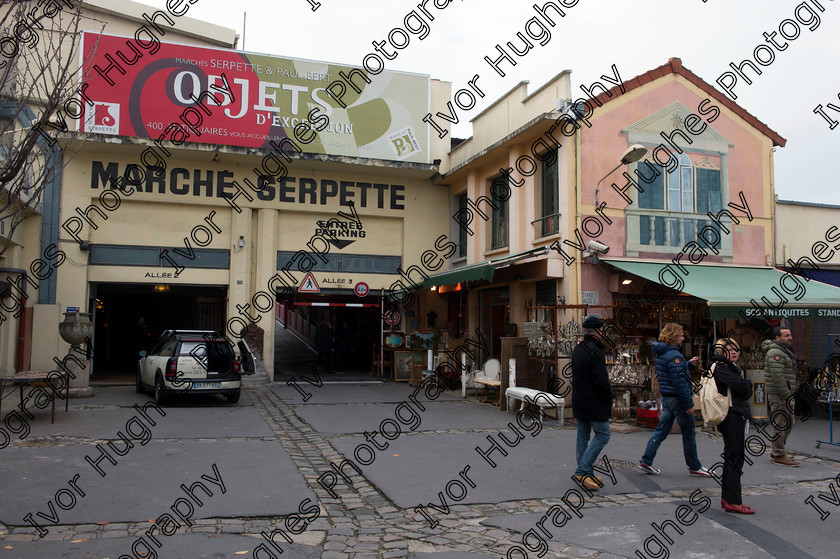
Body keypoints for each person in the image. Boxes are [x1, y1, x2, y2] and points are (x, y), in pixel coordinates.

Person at [639, 323, 711, 477]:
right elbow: (679, 382)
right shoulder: (674, 355)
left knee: (661, 431)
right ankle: (694, 465)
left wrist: (687, 365)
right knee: (689, 432)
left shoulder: (662, 353)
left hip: (667, 398)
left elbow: (670, 372)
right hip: (677, 399)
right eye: (680, 335)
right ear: (673, 337)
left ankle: (646, 460)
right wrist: (689, 404)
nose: (683, 338)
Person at [711, 338, 755, 514]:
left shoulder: (730, 367)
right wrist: (748, 384)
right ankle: (733, 501)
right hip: (732, 415)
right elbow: (742, 388)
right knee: (735, 457)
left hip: (735, 413)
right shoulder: (723, 367)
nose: (734, 352)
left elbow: (741, 388)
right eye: (729, 348)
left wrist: (745, 386)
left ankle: (728, 496)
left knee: (732, 456)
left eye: (736, 348)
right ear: (722, 351)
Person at [570, 315, 613, 491]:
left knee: (583, 435)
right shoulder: (596, 352)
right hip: (593, 401)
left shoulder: (578, 350)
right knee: (603, 434)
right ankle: (582, 470)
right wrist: (608, 400)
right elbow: (601, 382)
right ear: (599, 331)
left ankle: (585, 471)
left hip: (579, 398)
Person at [762, 327, 799, 466]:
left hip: (785, 393)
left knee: (788, 422)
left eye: (790, 335)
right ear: (777, 338)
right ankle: (778, 453)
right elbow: (777, 376)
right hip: (780, 394)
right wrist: (785, 394)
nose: (790, 338)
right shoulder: (775, 353)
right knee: (781, 424)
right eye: (786, 335)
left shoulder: (783, 351)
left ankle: (778, 450)